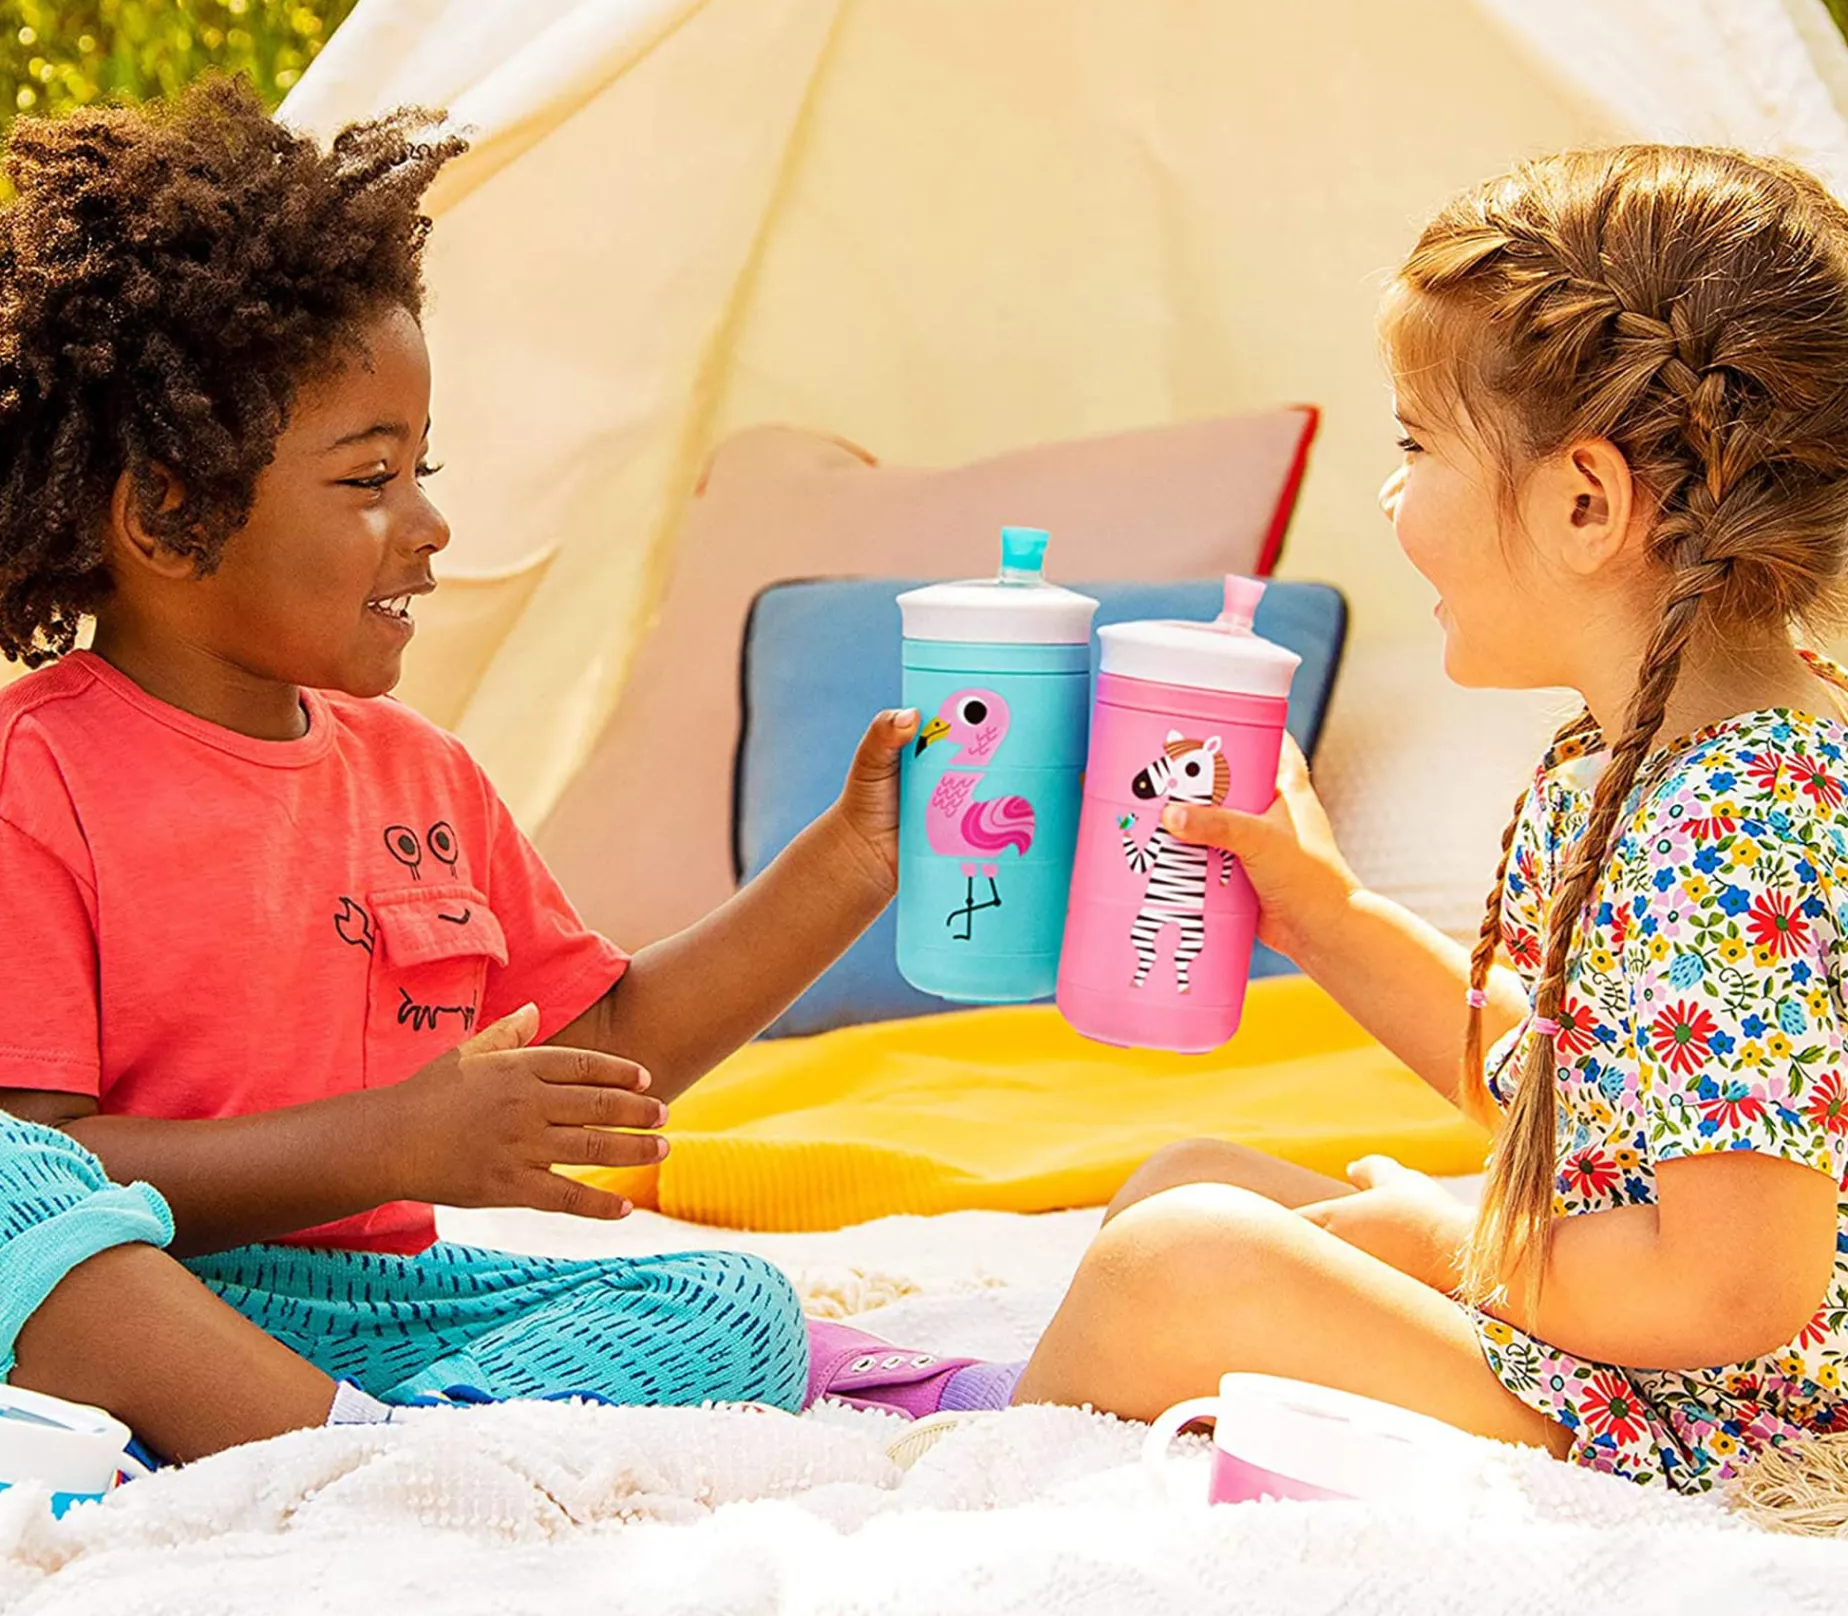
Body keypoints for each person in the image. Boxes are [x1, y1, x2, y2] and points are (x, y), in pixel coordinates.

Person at [0, 78, 1017, 1463]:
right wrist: (391, 1141)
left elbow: (604, 1058)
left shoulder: (421, 777)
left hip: (368, 1315)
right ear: (170, 515)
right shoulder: (37, 778)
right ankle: (335, 1451)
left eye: (421, 469)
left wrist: (847, 866)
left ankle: (371, 1448)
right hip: (127, 1299)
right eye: (369, 480)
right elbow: (52, 1171)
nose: (428, 524)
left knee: (728, 1301)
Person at [1016, 145, 1848, 1492]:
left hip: (1723, 1430)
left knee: (1180, 1263)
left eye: (1417, 444)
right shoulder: (1670, 764)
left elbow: (1732, 1290)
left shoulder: (1732, 821)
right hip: (1656, 1373)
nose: (1393, 493)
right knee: (1187, 1180)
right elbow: (1579, 1093)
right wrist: (1326, 917)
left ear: (1586, 504)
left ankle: (975, 1467)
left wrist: (1450, 1244)